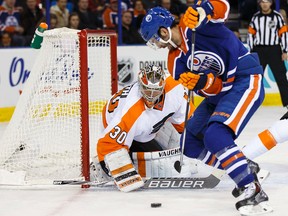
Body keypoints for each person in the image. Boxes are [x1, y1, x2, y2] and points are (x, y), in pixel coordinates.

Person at [139, 1, 273, 215]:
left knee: (215, 135)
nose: (156, 45)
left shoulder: (193, 24)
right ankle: (243, 166)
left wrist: (204, 10)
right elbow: (211, 90)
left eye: (154, 39)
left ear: (163, 30)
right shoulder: (175, 62)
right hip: (221, 91)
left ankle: (251, 187)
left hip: (245, 79)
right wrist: (202, 83)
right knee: (188, 142)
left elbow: (223, 8)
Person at [96, 65, 195, 192]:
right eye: (147, 91)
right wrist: (116, 168)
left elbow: (188, 123)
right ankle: (102, 166)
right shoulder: (131, 111)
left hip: (148, 127)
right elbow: (108, 144)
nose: (151, 96)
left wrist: (194, 145)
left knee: (177, 145)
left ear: (163, 86)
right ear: (140, 86)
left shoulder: (175, 89)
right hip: (120, 129)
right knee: (158, 167)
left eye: (156, 91)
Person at [247, 0, 288, 108]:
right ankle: (251, 103)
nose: (265, 4)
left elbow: (283, 33)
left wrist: (285, 50)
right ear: (259, 4)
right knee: (256, 77)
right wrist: (251, 51)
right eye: (262, 2)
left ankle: (287, 103)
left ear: (271, 3)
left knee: (281, 78)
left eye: (267, 2)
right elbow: (251, 34)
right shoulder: (255, 17)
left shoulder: (277, 16)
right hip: (259, 50)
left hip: (274, 50)